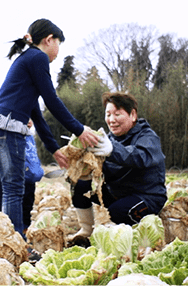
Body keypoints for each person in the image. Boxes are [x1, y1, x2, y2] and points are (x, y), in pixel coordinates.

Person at [0, 19, 99, 238]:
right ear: (48, 40)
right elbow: (51, 100)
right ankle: (16, 243)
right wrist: (79, 129)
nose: (57, 53)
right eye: (58, 45)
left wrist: (54, 149)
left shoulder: (26, 60)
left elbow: (37, 113)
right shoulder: (38, 57)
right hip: (8, 128)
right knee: (14, 189)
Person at [70, 91, 167, 241]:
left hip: (146, 197)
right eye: (108, 115)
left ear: (132, 115)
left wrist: (113, 150)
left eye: (117, 114)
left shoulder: (147, 137)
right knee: (80, 185)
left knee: (119, 211)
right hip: (117, 194)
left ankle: (139, 230)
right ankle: (86, 230)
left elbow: (139, 157)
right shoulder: (108, 139)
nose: (111, 120)